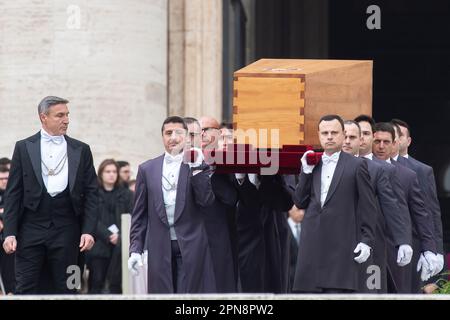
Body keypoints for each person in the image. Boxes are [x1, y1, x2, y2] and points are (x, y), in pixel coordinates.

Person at [2, 96, 97, 294]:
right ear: (43, 117)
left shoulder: (82, 149)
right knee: (24, 288)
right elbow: (13, 194)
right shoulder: (23, 147)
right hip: (30, 231)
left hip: (69, 232)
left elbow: (91, 194)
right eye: (60, 115)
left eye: (67, 115)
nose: (66, 120)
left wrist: (88, 230)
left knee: (71, 287)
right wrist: (10, 232)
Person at [128, 116, 216, 293]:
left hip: (192, 245)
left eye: (178, 133)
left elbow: (206, 202)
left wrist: (197, 168)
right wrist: (135, 249)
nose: (173, 138)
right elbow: (140, 215)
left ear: (185, 137)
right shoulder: (147, 169)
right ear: (162, 136)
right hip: (159, 246)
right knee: (163, 294)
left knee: (188, 297)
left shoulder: (199, 164)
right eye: (168, 133)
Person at [292, 114, 377, 293]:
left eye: (334, 132)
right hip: (311, 247)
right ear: (319, 135)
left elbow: (368, 206)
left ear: (342, 134)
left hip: (342, 249)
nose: (329, 136)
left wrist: (366, 240)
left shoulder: (357, 165)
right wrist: (305, 172)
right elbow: (299, 202)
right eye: (325, 133)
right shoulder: (311, 163)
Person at [343, 120, 412, 293]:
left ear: (362, 139)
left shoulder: (379, 170)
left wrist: (402, 241)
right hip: (334, 244)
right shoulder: (322, 167)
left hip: (370, 242)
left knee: (369, 291)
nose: (347, 141)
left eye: (353, 136)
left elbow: (392, 207)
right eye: (344, 136)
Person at [373, 122, 437, 292]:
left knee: (399, 292)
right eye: (377, 142)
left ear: (395, 144)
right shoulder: (361, 168)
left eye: (386, 142)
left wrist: (430, 249)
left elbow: (421, 214)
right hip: (369, 247)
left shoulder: (407, 175)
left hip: (398, 249)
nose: (381, 147)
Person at [391, 119, 444, 275]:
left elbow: (431, 211)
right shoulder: (376, 163)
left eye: (399, 135)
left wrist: (437, 250)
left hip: (413, 241)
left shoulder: (421, 170)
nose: (396, 139)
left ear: (408, 141)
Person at [87, 159, 133, 294]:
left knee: (116, 284)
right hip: (98, 243)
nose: (111, 174)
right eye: (108, 171)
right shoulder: (93, 194)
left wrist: (119, 236)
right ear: (101, 173)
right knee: (96, 281)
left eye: (114, 171)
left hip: (120, 245)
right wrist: (108, 235)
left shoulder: (127, 194)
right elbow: (91, 217)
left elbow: (130, 216)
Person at [0, 165, 15, 294]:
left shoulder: (14, 192)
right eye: (1, 178)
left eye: (6, 178)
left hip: (13, 240)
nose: (4, 181)